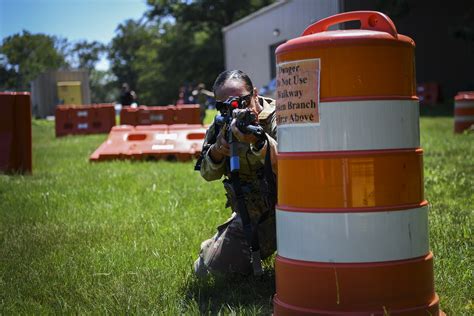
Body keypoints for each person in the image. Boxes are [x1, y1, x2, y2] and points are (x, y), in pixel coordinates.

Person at [193, 70, 278, 277]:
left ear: (255, 94)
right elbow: (207, 173)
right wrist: (218, 150)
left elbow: (292, 163)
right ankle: (215, 244)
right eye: (224, 106)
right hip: (252, 215)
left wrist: (259, 140)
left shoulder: (280, 116)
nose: (234, 109)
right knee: (211, 271)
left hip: (291, 210)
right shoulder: (221, 125)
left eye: (242, 101)